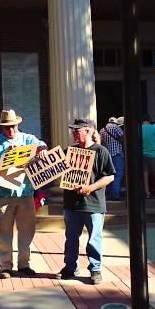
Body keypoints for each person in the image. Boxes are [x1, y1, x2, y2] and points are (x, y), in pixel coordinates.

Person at [0, 109, 48, 279]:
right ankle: (5, 267)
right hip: (4, 194)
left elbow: (41, 144)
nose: (11, 130)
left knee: (27, 231)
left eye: (13, 126)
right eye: (7, 127)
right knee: (4, 232)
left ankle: (24, 265)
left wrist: (42, 149)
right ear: (2, 127)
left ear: (18, 124)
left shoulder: (27, 139)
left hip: (25, 192)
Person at [56, 119, 115, 285]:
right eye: (73, 130)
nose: (74, 133)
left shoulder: (101, 151)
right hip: (71, 204)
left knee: (94, 239)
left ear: (88, 131)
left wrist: (91, 187)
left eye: (77, 130)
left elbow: (109, 176)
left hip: (93, 204)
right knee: (71, 238)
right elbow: (53, 168)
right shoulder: (69, 151)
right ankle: (70, 267)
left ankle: (95, 268)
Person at [100, 116, 124, 201]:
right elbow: (123, 137)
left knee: (109, 174)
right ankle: (115, 194)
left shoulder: (102, 130)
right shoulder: (116, 127)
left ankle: (109, 193)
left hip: (107, 155)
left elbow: (101, 142)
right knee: (118, 174)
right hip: (116, 153)